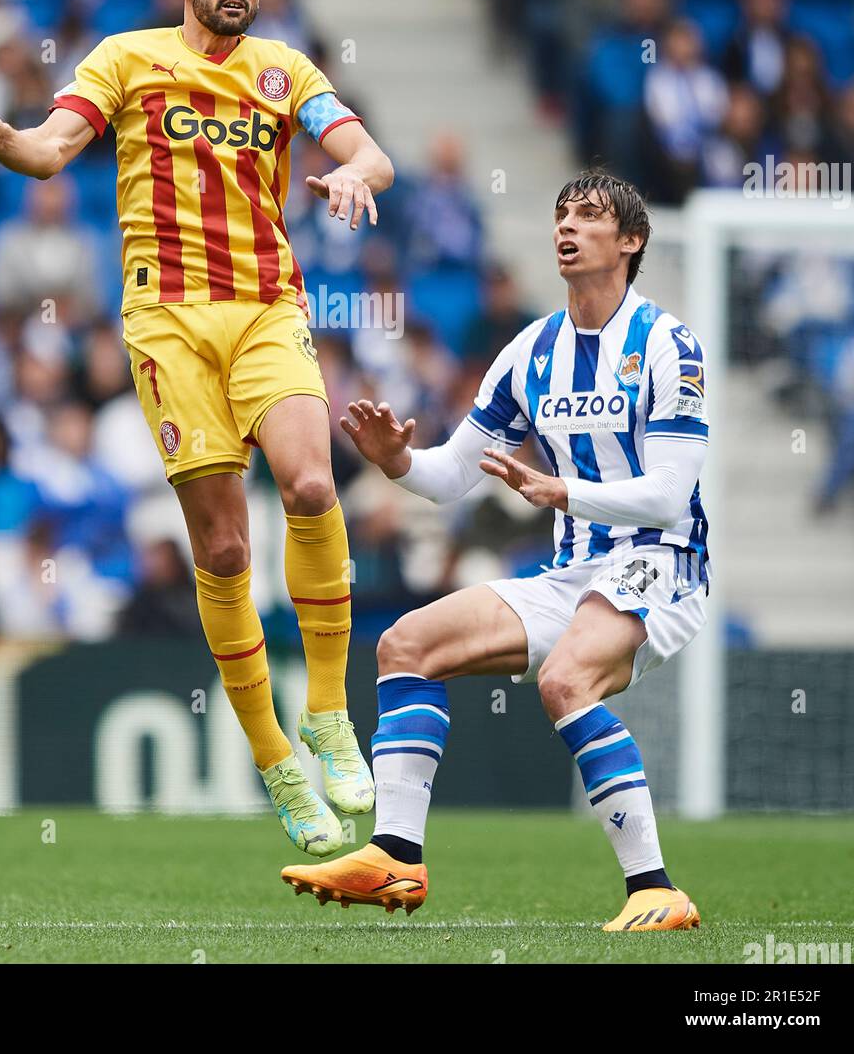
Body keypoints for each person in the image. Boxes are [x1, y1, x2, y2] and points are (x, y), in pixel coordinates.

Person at [0, 0, 393, 855]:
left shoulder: (283, 69)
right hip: (168, 323)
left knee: (311, 483)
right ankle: (275, 763)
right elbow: (49, 149)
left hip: (268, 306)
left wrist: (357, 175)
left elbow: (366, 151)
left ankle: (328, 715)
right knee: (225, 552)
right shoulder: (125, 58)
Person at [282, 172, 709, 933]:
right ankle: (396, 855)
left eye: (588, 215)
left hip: (662, 561)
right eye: (559, 214)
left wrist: (560, 494)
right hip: (574, 568)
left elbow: (671, 494)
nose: (566, 227)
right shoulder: (530, 350)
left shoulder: (669, 344)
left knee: (566, 676)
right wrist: (396, 463)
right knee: (404, 645)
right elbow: (452, 475)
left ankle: (656, 888)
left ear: (632, 240)